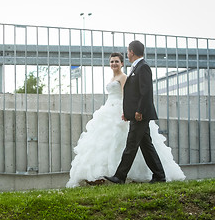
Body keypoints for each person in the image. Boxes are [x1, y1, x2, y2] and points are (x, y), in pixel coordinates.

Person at [66, 50, 185, 188]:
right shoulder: (117, 76)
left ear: (122, 63)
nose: (114, 63)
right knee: (144, 145)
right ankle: (157, 175)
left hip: (125, 111)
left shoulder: (125, 76)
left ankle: (121, 176)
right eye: (112, 61)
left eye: (117, 61)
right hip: (109, 109)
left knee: (131, 144)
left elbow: (127, 96)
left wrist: (126, 112)